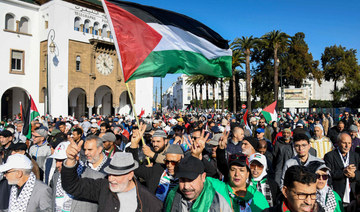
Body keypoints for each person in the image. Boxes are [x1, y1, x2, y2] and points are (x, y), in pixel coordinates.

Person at [61, 141, 163, 211]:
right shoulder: (103, 186)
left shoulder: (151, 203)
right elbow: (72, 186)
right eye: (110, 173)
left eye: (117, 175)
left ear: (130, 175)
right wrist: (70, 160)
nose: (111, 178)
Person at [50, 141, 105, 212]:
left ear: (76, 158)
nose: (57, 165)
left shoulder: (97, 177)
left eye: (62, 160)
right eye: (56, 160)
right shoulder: (56, 176)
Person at [164, 156, 231, 212]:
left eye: (191, 180)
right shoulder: (172, 197)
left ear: (203, 177)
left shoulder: (218, 203)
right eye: (182, 180)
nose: (186, 186)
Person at [324, 133, 360, 206]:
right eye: (344, 143)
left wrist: (354, 175)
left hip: (353, 195)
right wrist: (343, 172)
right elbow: (328, 174)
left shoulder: (355, 156)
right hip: (337, 194)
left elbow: (359, 173)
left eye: (349, 143)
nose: (347, 146)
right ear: (338, 143)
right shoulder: (330, 156)